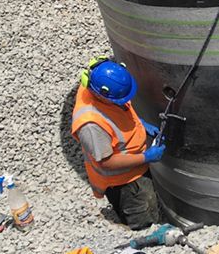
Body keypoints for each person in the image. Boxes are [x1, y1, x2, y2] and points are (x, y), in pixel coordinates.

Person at [70, 56, 166, 230]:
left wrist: (140, 123)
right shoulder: (91, 125)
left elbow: (119, 111)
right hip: (125, 184)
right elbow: (106, 162)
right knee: (143, 218)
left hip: (136, 172)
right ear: (102, 95)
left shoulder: (99, 86)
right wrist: (146, 157)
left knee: (151, 202)